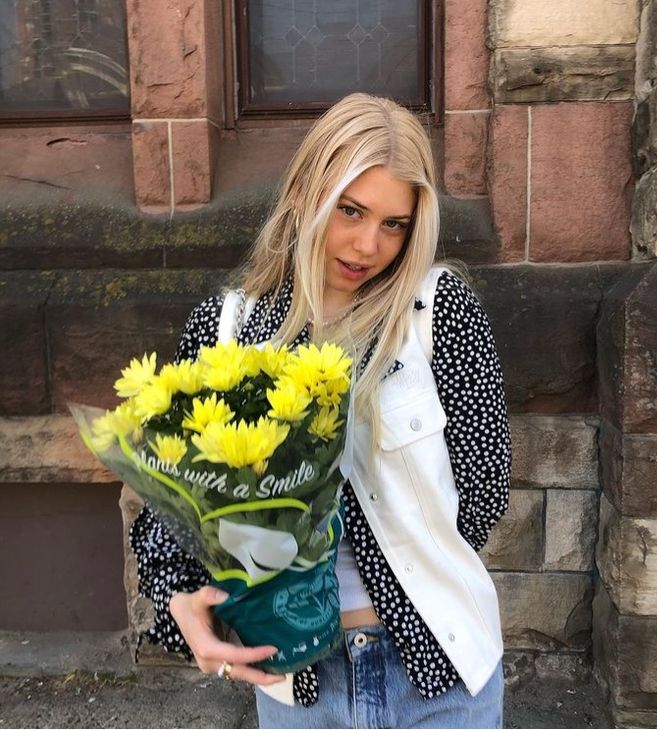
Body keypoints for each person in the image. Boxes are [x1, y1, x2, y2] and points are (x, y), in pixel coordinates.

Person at [130, 93, 512, 729]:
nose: (368, 244)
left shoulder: (437, 317)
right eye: (351, 210)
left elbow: (482, 494)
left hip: (439, 676)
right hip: (299, 686)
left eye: (395, 224)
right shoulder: (228, 332)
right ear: (307, 193)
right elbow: (168, 505)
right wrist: (182, 597)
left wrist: (401, 584)